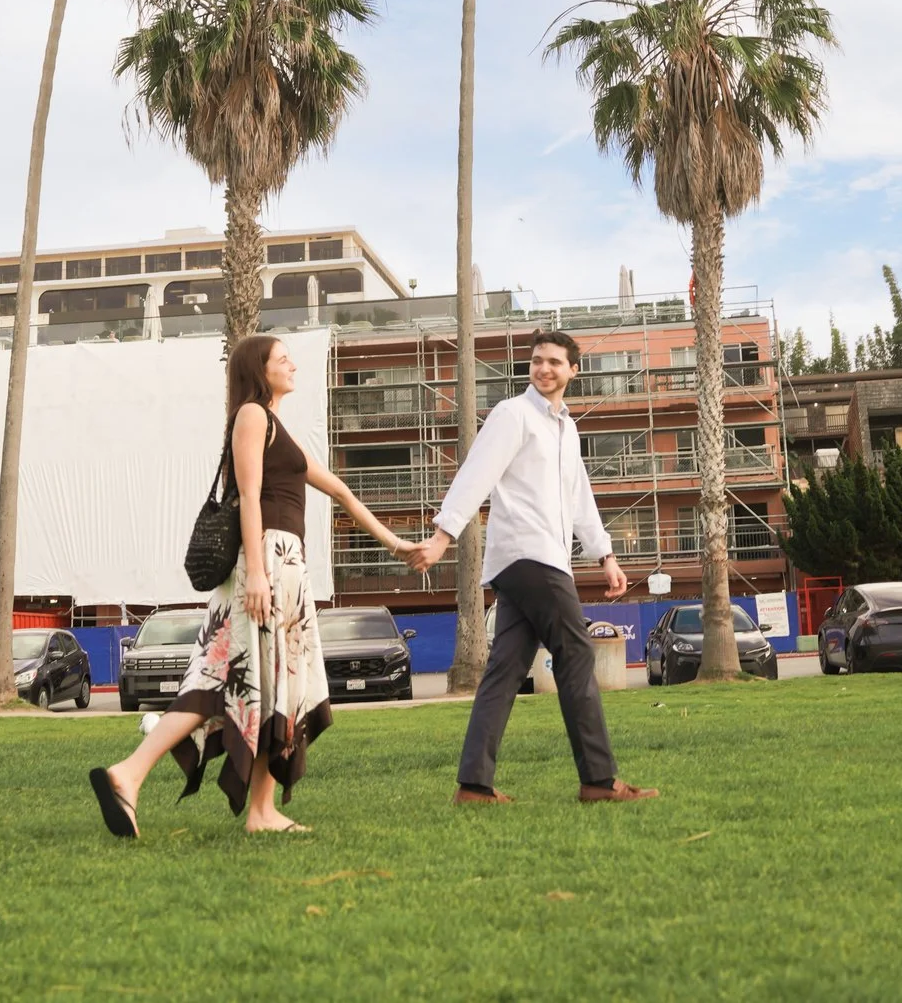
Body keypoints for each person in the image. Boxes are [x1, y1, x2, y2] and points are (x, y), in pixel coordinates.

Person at [90, 334, 420, 837]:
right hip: (263, 563)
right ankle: (135, 775)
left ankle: (246, 808)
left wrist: (397, 546)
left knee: (261, 686)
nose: (293, 364)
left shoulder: (276, 426)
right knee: (232, 682)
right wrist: (260, 576)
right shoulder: (252, 417)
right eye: (282, 358)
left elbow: (339, 489)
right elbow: (247, 495)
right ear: (259, 370)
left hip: (282, 564)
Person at [410, 328, 656, 805]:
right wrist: (443, 536)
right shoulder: (514, 414)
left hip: (543, 558)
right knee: (578, 653)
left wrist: (605, 555)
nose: (544, 368)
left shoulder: (567, 427)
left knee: (505, 669)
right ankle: (599, 781)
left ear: (573, 371)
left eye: (554, 362)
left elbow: (579, 498)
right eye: (537, 360)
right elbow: (476, 473)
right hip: (528, 555)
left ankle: (474, 786)